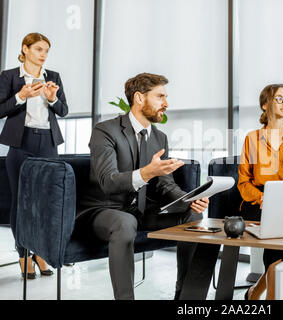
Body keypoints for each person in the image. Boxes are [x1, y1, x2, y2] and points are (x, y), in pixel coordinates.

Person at [76, 72, 209, 300]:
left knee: (192, 217)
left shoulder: (159, 137)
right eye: (160, 97)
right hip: (103, 210)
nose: (166, 104)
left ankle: (185, 296)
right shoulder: (105, 131)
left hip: (139, 211)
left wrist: (190, 198)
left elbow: (164, 185)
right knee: (125, 221)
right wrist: (148, 172)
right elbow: (108, 181)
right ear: (139, 98)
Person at [0, 32, 68, 279]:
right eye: (39, 49)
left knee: (46, 202)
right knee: (22, 201)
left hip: (48, 143)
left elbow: (64, 110)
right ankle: (23, 254)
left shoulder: (53, 77)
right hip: (21, 143)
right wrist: (21, 96)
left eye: (46, 51)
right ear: (25, 49)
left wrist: (52, 99)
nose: (43, 55)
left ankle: (40, 253)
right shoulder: (9, 77)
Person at [237, 83, 283, 299]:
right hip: (257, 203)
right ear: (264, 105)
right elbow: (243, 183)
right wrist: (263, 199)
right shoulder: (252, 139)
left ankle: (254, 293)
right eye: (279, 98)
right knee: (280, 231)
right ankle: (270, 297)